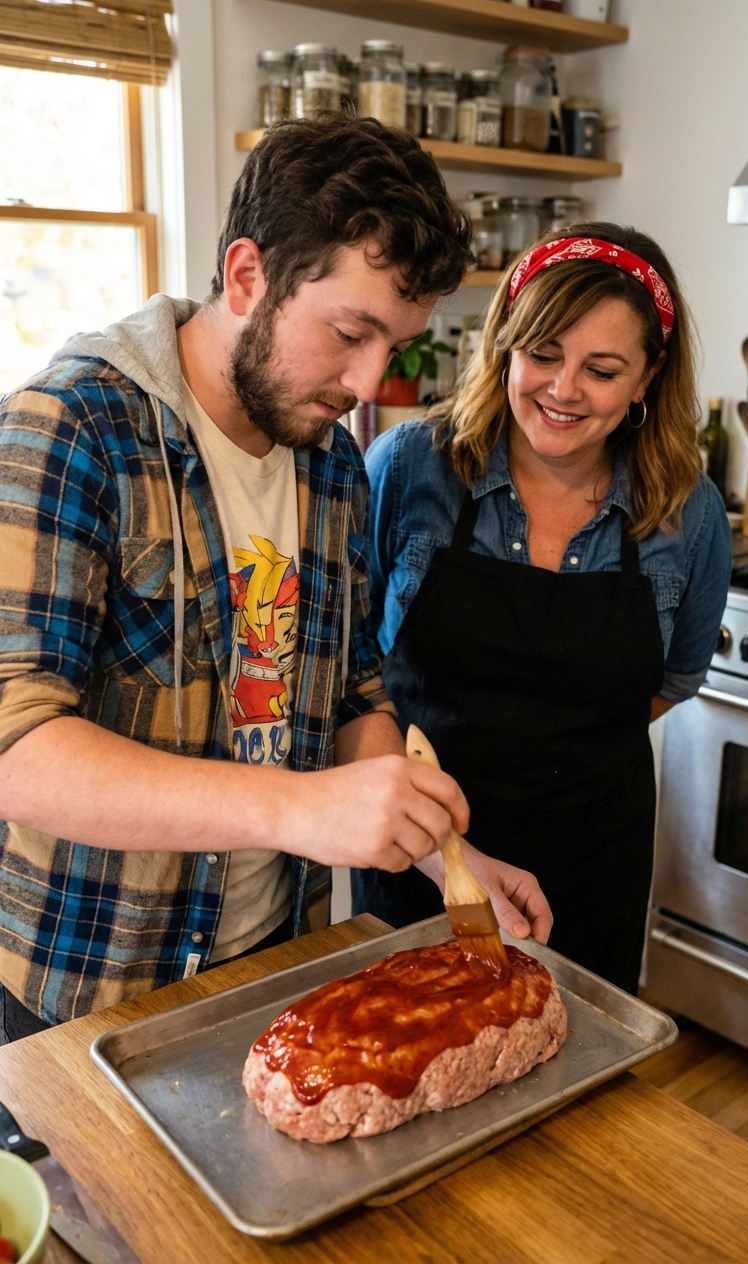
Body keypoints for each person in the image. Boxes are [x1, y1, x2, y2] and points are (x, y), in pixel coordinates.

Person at [0, 116, 551, 1042]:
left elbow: (351, 696)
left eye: (398, 346)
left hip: (276, 958)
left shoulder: (329, 460)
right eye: (349, 332)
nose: (369, 381)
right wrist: (304, 810)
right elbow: (15, 746)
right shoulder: (69, 429)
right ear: (248, 275)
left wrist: (453, 861)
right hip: (86, 990)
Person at [352, 224, 732, 994]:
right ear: (505, 343)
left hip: (592, 868)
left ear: (647, 377)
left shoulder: (690, 517)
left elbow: (675, 678)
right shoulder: (409, 467)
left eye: (601, 369)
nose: (562, 390)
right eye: (544, 354)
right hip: (425, 857)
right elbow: (350, 662)